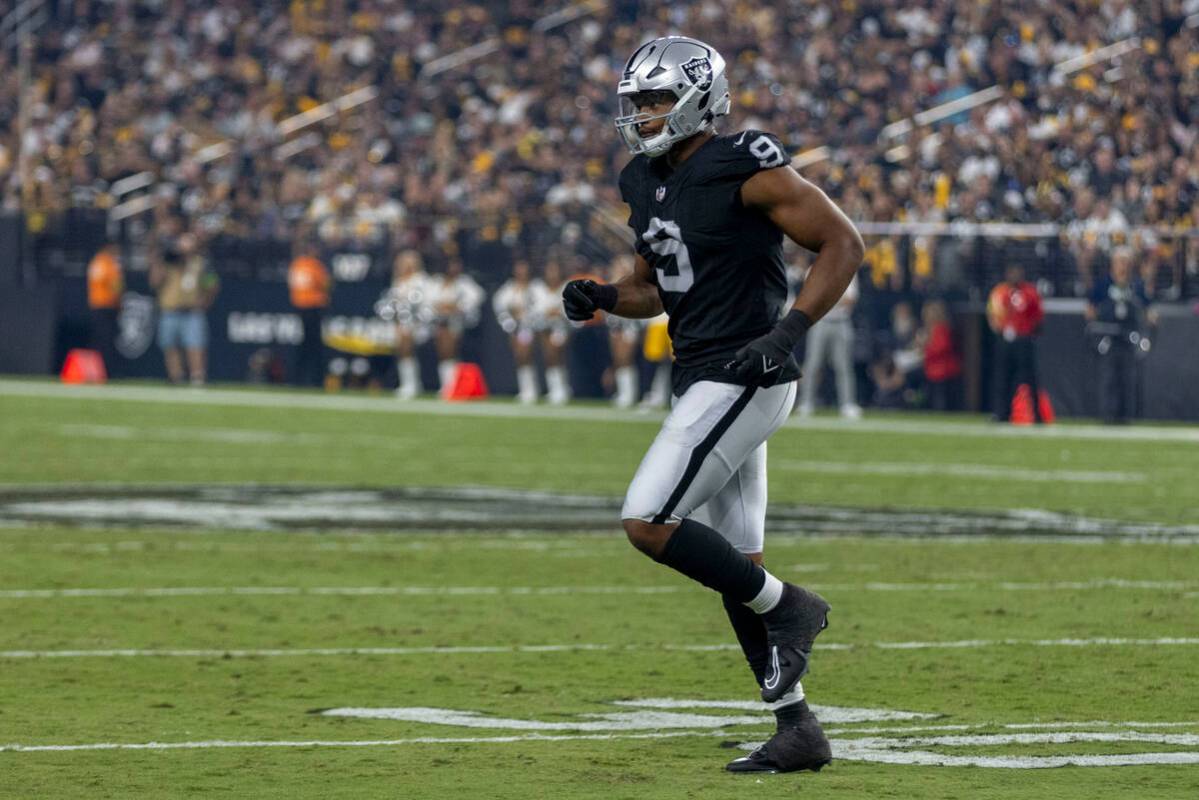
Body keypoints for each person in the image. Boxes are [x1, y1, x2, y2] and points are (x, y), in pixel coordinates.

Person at [562, 36, 863, 775]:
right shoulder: (642, 177)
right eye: (636, 102)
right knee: (735, 563)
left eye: (657, 99)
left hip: (746, 370)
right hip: (700, 370)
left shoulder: (743, 162)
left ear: (700, 97)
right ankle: (797, 728)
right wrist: (604, 297)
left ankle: (792, 605)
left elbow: (842, 243)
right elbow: (653, 288)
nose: (644, 114)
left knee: (646, 520)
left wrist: (788, 329)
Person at [1086, 247, 1156, 424]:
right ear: (1113, 264)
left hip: (1128, 338)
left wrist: (1146, 331)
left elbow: (1150, 311)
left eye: (1126, 262)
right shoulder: (1103, 285)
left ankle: (1127, 416)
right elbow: (1090, 309)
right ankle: (1108, 415)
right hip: (1108, 337)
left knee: (1128, 378)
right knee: (1108, 378)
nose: (1122, 266)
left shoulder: (1136, 286)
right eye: (1119, 262)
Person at [150, 232, 219, 386]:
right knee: (170, 346)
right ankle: (176, 377)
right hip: (170, 309)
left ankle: (197, 377)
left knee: (195, 345)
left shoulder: (200, 263)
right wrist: (157, 261)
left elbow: (212, 283)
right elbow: (155, 282)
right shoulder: (168, 262)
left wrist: (205, 301)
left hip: (192, 311)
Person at [795, 270, 860, 419]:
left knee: (843, 365)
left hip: (842, 322)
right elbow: (812, 298)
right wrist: (835, 297)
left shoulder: (848, 268)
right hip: (820, 321)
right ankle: (806, 403)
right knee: (813, 364)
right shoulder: (814, 269)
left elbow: (850, 300)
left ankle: (847, 404)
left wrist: (827, 297)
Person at [986, 263, 1044, 422]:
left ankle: (1036, 415)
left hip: (1023, 340)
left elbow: (1038, 316)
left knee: (1030, 379)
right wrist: (999, 331)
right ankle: (1001, 413)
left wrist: (1028, 333)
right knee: (1002, 378)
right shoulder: (999, 292)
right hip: (1005, 340)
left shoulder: (1030, 292)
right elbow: (992, 314)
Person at [379, 250, 433, 400]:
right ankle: (410, 383)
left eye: (405, 262)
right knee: (401, 341)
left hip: (421, 323)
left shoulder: (421, 281)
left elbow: (421, 305)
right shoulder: (398, 282)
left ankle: (411, 385)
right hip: (401, 323)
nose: (401, 265)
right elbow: (390, 305)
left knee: (405, 339)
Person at [428, 257, 484, 397]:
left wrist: (458, 307)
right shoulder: (436, 282)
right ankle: (447, 385)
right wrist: (441, 306)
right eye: (451, 265)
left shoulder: (464, 283)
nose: (454, 268)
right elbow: (428, 301)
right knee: (443, 352)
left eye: (456, 265)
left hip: (459, 323)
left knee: (450, 350)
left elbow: (478, 296)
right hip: (438, 322)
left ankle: (452, 386)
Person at [493, 259, 546, 404]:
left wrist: (526, 314)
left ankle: (532, 389)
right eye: (518, 268)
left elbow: (542, 306)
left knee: (526, 354)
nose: (521, 272)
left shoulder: (536, 287)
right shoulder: (509, 288)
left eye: (524, 268)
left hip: (531, 327)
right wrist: (510, 316)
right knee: (520, 356)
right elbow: (499, 305)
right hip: (515, 327)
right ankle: (527, 389)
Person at [287, 242, 332, 387]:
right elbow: (326, 284)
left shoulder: (296, 264)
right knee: (315, 345)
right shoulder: (314, 265)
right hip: (313, 306)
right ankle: (316, 379)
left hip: (299, 306)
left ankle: (297, 378)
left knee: (303, 344)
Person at [86, 241, 124, 375]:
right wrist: (119, 302)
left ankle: (96, 371)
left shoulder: (96, 262)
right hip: (107, 305)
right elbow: (115, 286)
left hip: (97, 305)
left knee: (99, 340)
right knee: (107, 341)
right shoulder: (108, 263)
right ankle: (106, 371)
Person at [918, 299, 962, 411]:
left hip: (942, 369)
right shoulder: (929, 330)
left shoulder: (941, 329)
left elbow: (942, 348)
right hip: (932, 368)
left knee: (940, 398)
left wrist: (924, 349)